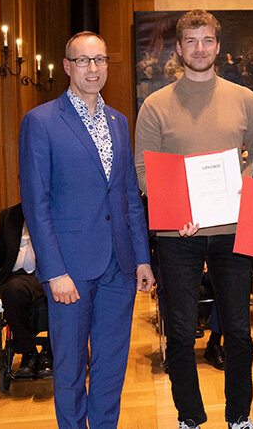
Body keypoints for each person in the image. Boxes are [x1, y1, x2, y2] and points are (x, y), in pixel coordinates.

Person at [134, 9, 253, 429]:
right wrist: (178, 210)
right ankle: (189, 416)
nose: (199, 48)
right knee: (180, 332)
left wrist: (242, 188)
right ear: (178, 49)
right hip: (177, 234)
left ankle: (239, 415)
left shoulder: (245, 99)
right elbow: (143, 171)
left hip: (232, 233)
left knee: (240, 334)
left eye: (206, 40)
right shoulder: (155, 106)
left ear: (219, 47)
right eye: (191, 41)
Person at [18, 31, 154, 429]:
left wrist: (142, 258)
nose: (92, 69)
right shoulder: (40, 122)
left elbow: (128, 194)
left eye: (100, 60)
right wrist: (54, 271)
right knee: (71, 366)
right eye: (83, 61)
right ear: (67, 67)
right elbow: (36, 204)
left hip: (119, 266)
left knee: (112, 365)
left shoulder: (118, 121)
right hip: (71, 270)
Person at [0, 203, 52, 379]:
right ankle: (28, 353)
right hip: (18, 278)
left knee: (54, 294)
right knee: (11, 291)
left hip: (50, 274)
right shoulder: (10, 216)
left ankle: (50, 352)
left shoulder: (59, 209)